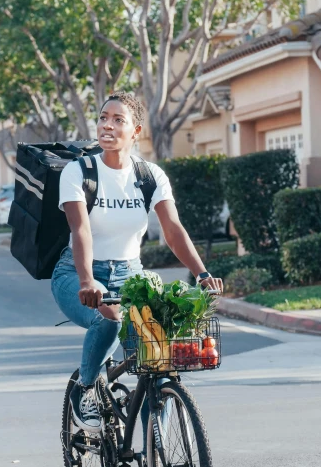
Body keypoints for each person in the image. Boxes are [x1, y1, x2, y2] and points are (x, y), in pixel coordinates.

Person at [51, 91, 223, 433]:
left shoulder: (150, 176)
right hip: (77, 272)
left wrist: (201, 273)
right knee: (109, 319)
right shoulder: (78, 172)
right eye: (103, 118)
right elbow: (80, 229)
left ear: (136, 131)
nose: (107, 125)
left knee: (157, 357)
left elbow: (173, 230)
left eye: (118, 120)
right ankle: (85, 389)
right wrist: (87, 279)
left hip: (131, 275)